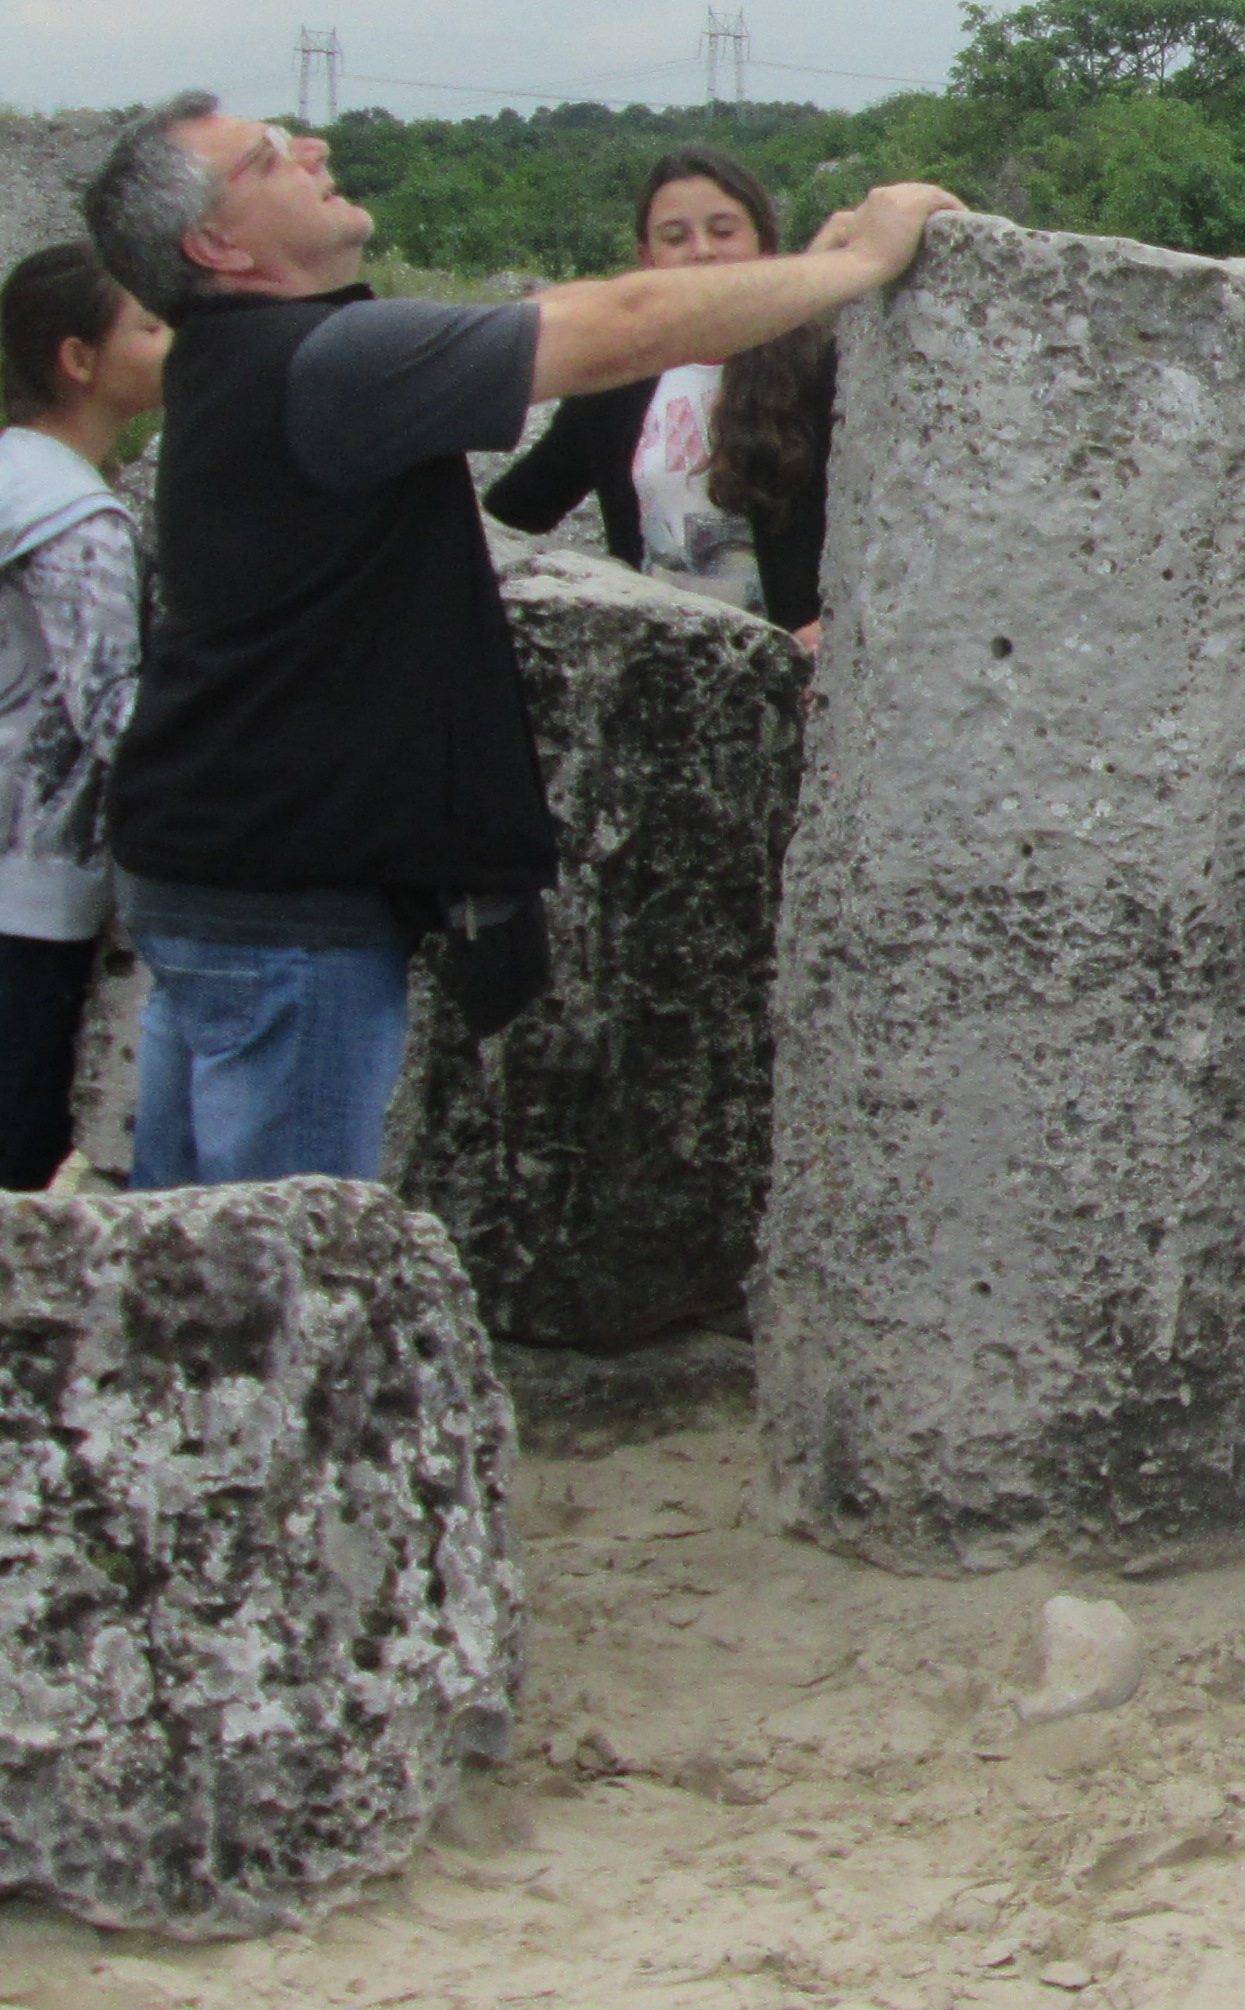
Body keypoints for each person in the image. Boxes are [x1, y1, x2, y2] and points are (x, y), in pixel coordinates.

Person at [82, 98, 954, 1187]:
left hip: (211, 868)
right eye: (266, 158)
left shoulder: (242, 362)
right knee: (280, 1254)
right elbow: (622, 324)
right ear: (216, 243)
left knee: (189, 1250)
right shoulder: (324, 361)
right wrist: (864, 260)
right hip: (286, 906)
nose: (313, 149)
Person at [481, 146, 841, 637]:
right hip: (666, 661)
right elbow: (519, 509)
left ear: (765, 245)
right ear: (646, 260)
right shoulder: (616, 379)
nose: (702, 251)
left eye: (723, 231)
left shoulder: (822, 367)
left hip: (802, 663)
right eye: (675, 237)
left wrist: (834, 625)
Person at [0, 245, 167, 1191]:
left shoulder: (13, 475)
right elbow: (116, 715)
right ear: (79, 360)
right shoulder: (76, 517)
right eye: (150, 325)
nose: (174, 342)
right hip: (30, 896)